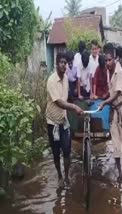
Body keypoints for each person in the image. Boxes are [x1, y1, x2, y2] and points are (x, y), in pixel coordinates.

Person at [46, 52, 84, 188]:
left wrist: (77, 105)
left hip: (64, 121)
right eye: (61, 62)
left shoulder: (67, 79)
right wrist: (74, 107)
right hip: (52, 122)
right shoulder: (51, 81)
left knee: (67, 150)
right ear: (56, 64)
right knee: (56, 152)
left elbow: (66, 98)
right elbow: (59, 102)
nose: (63, 65)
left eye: (65, 63)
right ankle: (59, 176)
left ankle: (66, 176)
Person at [99, 45, 122, 179]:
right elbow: (111, 91)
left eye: (109, 60)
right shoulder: (108, 72)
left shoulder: (120, 71)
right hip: (113, 111)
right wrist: (103, 97)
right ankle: (119, 172)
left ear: (115, 59)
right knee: (116, 145)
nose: (107, 63)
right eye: (106, 60)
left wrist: (105, 102)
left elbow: (117, 92)